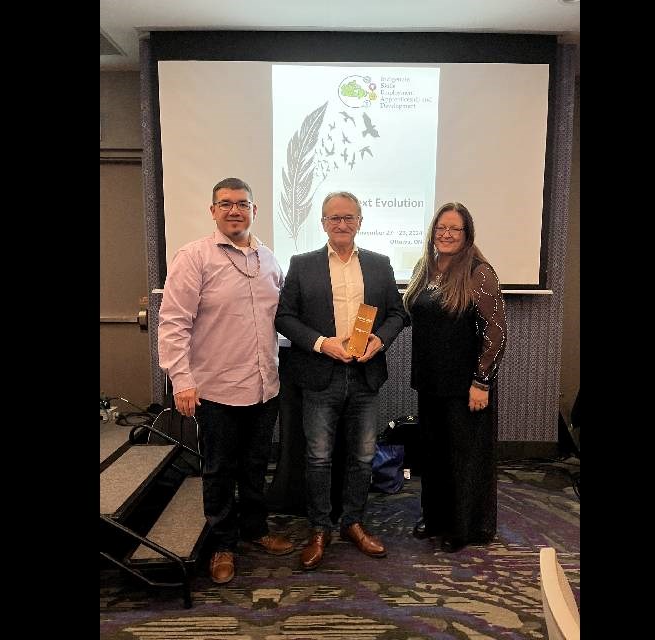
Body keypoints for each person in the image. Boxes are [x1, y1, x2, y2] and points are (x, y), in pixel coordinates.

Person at [158, 177, 295, 585]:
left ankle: (254, 531)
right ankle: (222, 543)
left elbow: (281, 320)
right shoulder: (193, 257)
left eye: (242, 204)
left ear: (255, 210)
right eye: (226, 203)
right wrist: (181, 380)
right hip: (214, 388)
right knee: (218, 469)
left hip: (263, 386)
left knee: (255, 465)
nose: (235, 210)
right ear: (213, 210)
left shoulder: (268, 259)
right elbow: (173, 323)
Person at [275, 191, 409, 570]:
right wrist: (321, 344)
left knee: (363, 457)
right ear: (322, 223)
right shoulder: (302, 265)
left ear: (360, 222)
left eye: (349, 217)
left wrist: (379, 340)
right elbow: (284, 318)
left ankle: (352, 521)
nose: (342, 224)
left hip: (365, 376)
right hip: (321, 375)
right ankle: (319, 528)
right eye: (334, 218)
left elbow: (398, 315)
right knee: (318, 458)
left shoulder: (381, 265)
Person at [402, 202, 508, 553]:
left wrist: (482, 382)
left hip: (465, 386)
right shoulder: (426, 266)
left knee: (463, 458)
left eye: (454, 229)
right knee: (434, 455)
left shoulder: (479, 271)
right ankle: (434, 518)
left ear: (467, 234)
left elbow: (496, 332)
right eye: (440, 228)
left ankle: (463, 527)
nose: (446, 234)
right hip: (430, 382)